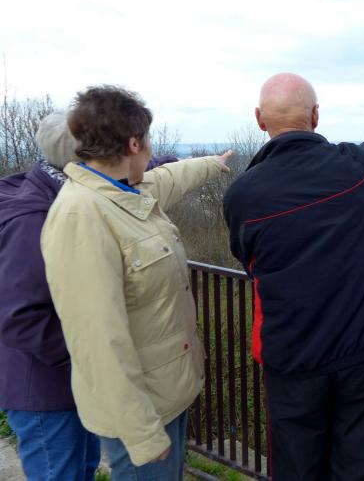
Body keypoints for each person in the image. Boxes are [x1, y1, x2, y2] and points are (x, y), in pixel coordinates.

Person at [40, 85, 232, 480]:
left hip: (164, 395)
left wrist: (214, 163)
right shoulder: (82, 216)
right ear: (133, 143)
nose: (151, 148)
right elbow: (97, 339)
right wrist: (142, 433)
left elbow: (169, 177)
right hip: (140, 415)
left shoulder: (122, 191)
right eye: (148, 139)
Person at [223, 73, 364, 481]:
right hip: (359, 352)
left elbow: (249, 262)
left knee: (298, 468)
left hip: (290, 359)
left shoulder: (243, 195)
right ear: (315, 116)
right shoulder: (353, 168)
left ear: (259, 119)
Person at [0, 110, 176, 480]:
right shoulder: (35, 217)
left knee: (82, 468)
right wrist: (92, 360)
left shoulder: (64, 189)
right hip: (44, 390)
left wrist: (168, 163)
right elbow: (21, 317)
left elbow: (119, 176)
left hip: (70, 384)